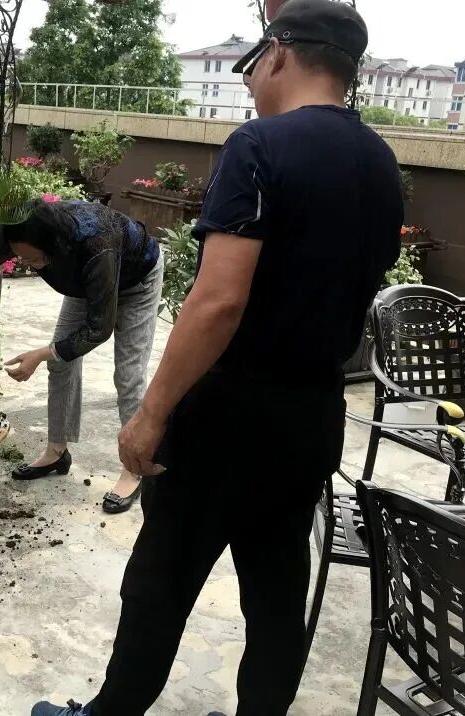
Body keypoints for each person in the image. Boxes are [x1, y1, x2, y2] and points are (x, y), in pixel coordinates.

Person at [32, 1, 401, 714]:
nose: (250, 80)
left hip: (227, 414)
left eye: (251, 65)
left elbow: (217, 303)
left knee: (159, 580)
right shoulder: (380, 161)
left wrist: (151, 413)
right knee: (276, 589)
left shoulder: (259, 145)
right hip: (313, 412)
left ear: (278, 53)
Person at [0, 198, 163, 514]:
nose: (25, 264)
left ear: (55, 246)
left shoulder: (96, 244)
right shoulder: (22, 229)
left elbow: (99, 329)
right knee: (61, 365)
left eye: (32, 259)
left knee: (128, 375)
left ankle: (135, 468)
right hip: (85, 282)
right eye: (19, 257)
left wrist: (42, 353)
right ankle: (56, 452)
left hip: (137, 281)